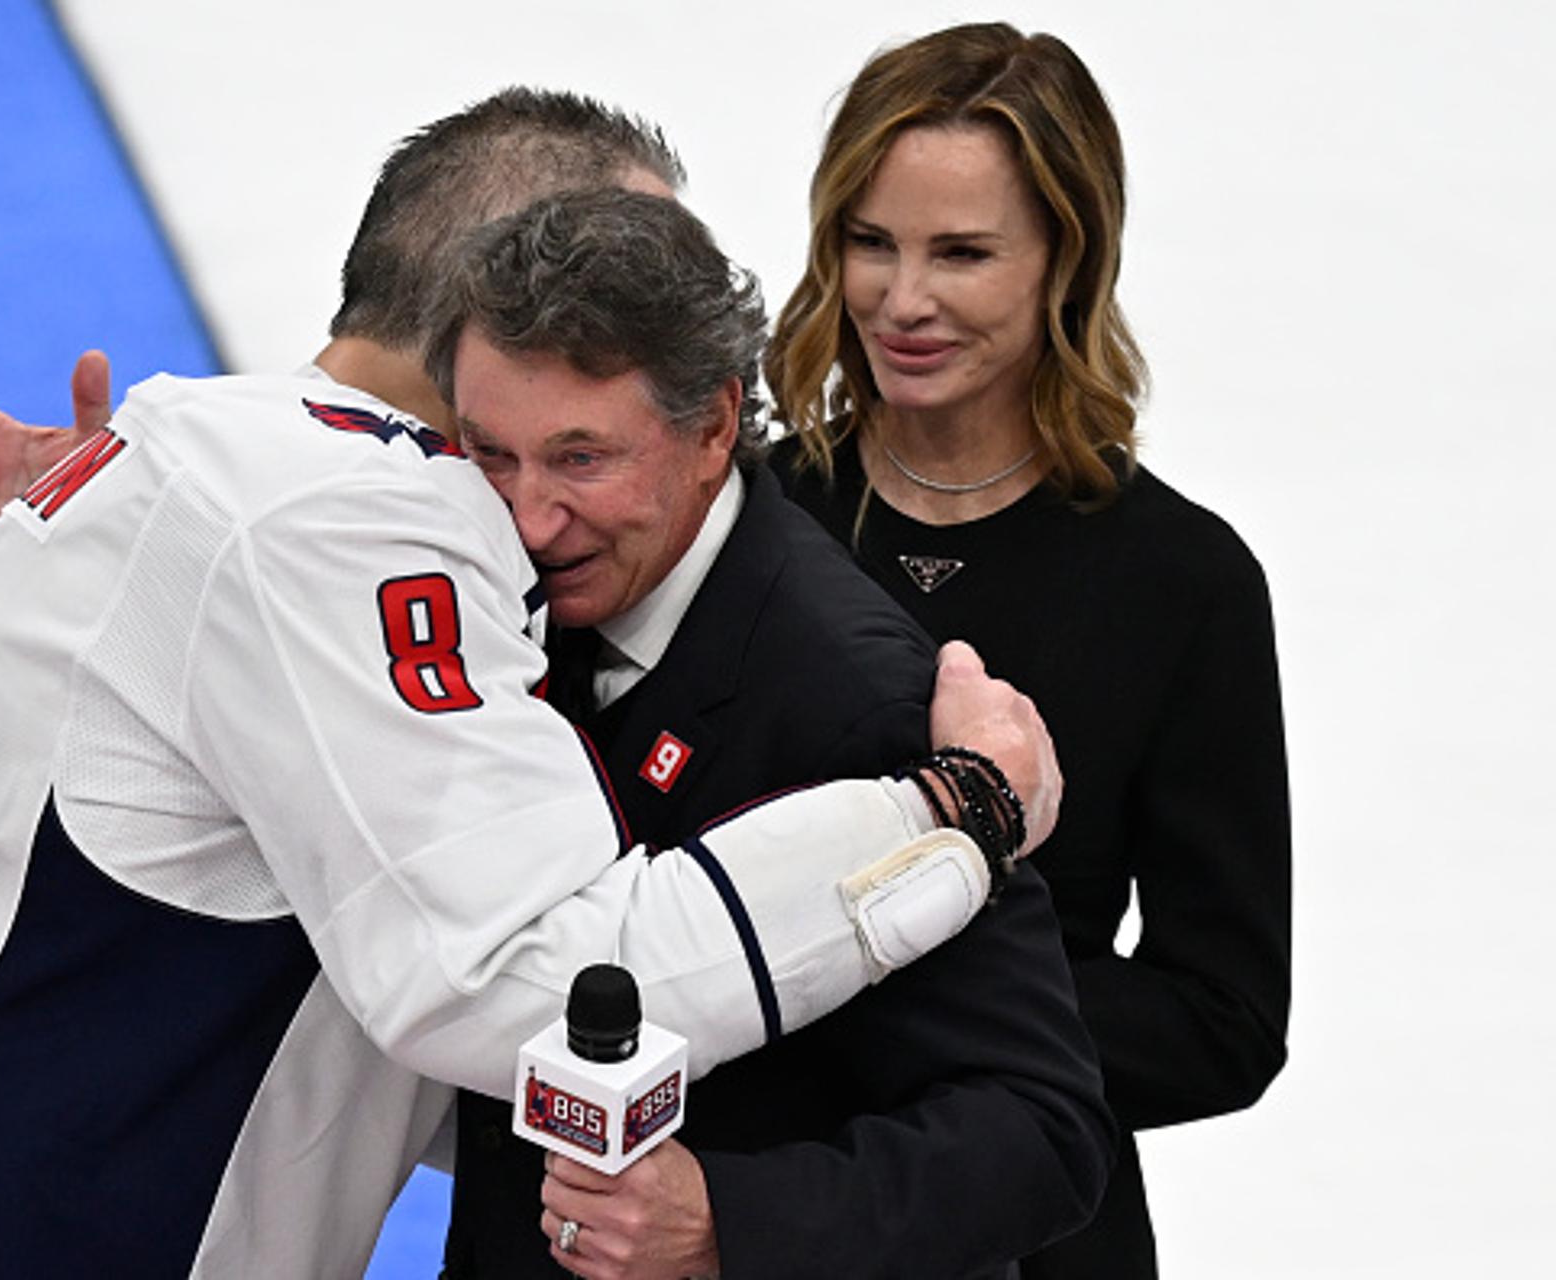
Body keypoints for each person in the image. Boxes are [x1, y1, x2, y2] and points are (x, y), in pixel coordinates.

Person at [0, 90, 1059, 1279]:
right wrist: (954, 809)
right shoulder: (340, 520)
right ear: (504, 291)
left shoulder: (209, 459)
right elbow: (537, 990)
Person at [430, 188, 1112, 1280]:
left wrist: (721, 1221)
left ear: (712, 426)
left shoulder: (857, 699)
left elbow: (1041, 1130)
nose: (528, 517)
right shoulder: (486, 593)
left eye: (581, 459)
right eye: (491, 454)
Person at [764, 24, 1292, 1277]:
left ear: (1067, 258)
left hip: (1031, 1228)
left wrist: (877, 989)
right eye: (869, 241)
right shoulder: (750, 523)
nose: (901, 299)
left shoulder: (1186, 583)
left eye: (962, 253)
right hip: (743, 1208)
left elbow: (1221, 1021)